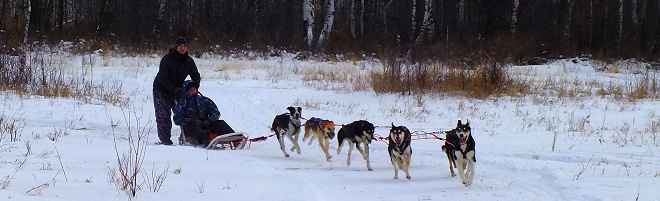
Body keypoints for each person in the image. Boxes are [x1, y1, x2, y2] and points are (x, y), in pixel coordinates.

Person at [153, 37, 201, 145]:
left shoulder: (189, 61)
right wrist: (173, 90)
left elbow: (195, 76)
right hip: (161, 90)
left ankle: (188, 137)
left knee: (187, 113)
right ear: (176, 47)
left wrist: (194, 87)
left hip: (179, 90)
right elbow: (162, 77)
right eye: (180, 46)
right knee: (163, 116)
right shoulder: (167, 59)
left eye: (184, 46)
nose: (182, 48)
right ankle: (165, 140)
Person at [173, 80, 236, 147]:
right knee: (195, 124)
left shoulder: (205, 100)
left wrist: (209, 120)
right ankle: (204, 138)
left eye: (194, 88)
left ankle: (235, 137)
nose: (192, 90)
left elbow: (216, 112)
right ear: (186, 91)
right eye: (190, 89)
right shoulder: (182, 103)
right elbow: (177, 119)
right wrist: (189, 120)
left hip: (206, 124)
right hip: (191, 127)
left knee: (220, 123)